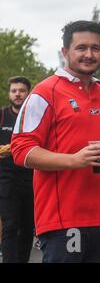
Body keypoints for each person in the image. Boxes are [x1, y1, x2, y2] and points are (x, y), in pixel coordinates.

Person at [11, 21, 100, 263]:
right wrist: (73, 160)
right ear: (65, 52)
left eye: (96, 48)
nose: (89, 54)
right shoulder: (44, 92)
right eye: (81, 48)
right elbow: (21, 150)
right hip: (63, 222)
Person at [0, 76, 34, 263]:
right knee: (10, 225)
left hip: (31, 178)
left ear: (28, 94)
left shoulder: (34, 116)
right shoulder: (2, 115)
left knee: (28, 226)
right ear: (9, 94)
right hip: (7, 179)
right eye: (14, 91)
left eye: (21, 91)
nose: (18, 94)